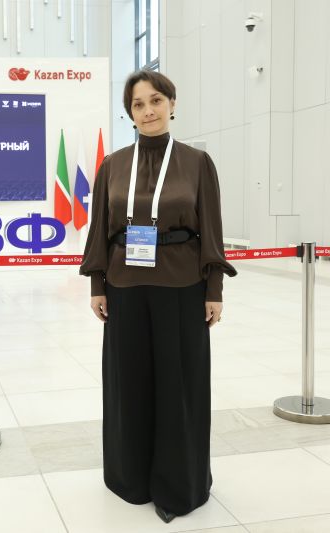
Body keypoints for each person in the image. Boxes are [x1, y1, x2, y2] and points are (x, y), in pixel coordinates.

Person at [79, 70, 237, 524]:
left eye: (155, 101)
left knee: (179, 386)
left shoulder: (196, 163)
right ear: (129, 113)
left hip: (182, 288)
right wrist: (97, 284)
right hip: (124, 287)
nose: (147, 111)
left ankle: (179, 483)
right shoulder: (113, 165)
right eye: (138, 104)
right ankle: (129, 478)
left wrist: (214, 288)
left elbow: (211, 229)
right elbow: (100, 229)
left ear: (172, 103)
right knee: (128, 384)